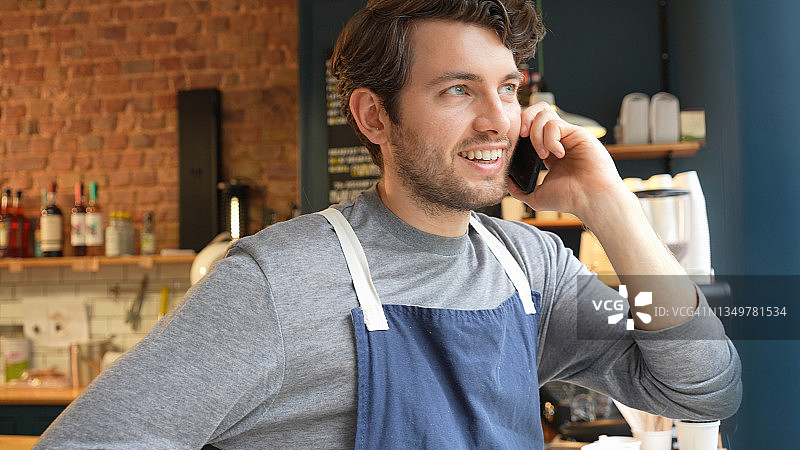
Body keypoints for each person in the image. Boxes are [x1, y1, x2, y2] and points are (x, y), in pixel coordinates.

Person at [35, 0, 741, 448]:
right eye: (457, 89)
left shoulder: (530, 269)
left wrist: (608, 205)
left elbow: (703, 388)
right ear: (375, 117)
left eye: (506, 87)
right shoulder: (278, 283)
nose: (498, 118)